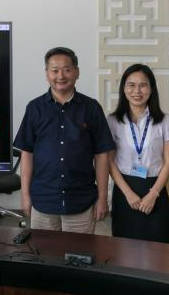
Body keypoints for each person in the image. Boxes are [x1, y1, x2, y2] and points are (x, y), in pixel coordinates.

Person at [14, 47, 114, 233]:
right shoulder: (35, 108)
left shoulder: (91, 108)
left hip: (81, 200)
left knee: (79, 257)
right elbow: (27, 154)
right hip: (43, 199)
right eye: (55, 70)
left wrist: (102, 198)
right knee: (45, 257)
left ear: (77, 72)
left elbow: (101, 155)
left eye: (67, 70)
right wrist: (25, 196)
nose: (61, 75)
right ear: (47, 74)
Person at [106, 64, 169, 244]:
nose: (137, 91)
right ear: (124, 88)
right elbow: (110, 161)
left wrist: (153, 194)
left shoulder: (165, 121)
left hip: (155, 188)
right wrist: (128, 193)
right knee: (123, 248)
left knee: (158, 249)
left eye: (143, 85)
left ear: (151, 88)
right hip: (125, 189)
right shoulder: (113, 121)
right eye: (131, 85)